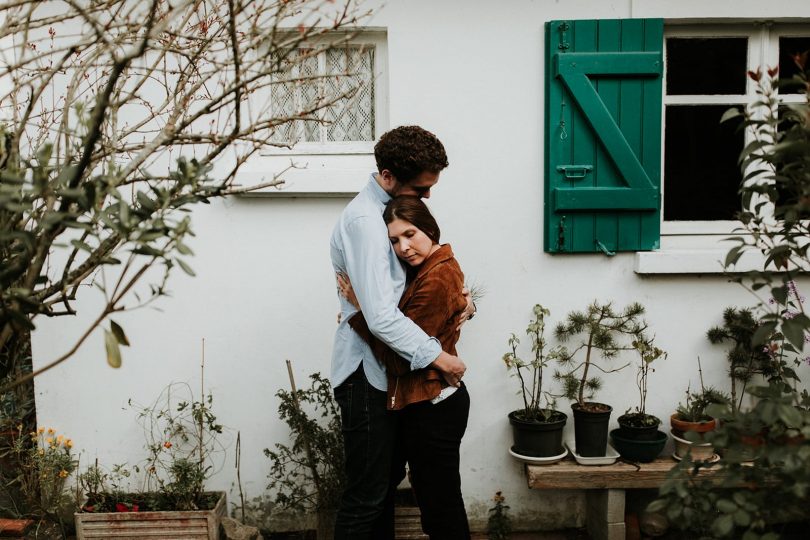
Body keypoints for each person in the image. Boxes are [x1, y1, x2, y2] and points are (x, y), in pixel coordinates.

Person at [329, 126, 473, 539]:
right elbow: (381, 317)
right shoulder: (364, 222)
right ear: (388, 176)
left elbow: (421, 289)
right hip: (366, 374)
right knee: (366, 499)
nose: (427, 196)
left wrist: (463, 303)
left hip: (388, 373)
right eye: (420, 187)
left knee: (383, 493)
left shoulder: (390, 217)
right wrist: (438, 356)